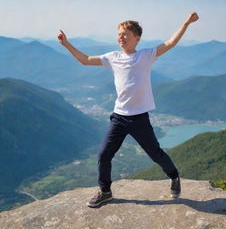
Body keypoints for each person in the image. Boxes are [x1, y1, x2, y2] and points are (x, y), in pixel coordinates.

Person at [58, 12, 199, 208]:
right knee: (103, 155)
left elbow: (170, 43)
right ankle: (105, 191)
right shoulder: (112, 57)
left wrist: (186, 23)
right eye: (119, 34)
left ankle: (174, 176)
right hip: (119, 117)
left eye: (125, 34)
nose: (121, 37)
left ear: (137, 38)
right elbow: (86, 59)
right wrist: (66, 44)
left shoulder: (146, 55)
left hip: (139, 118)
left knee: (155, 154)